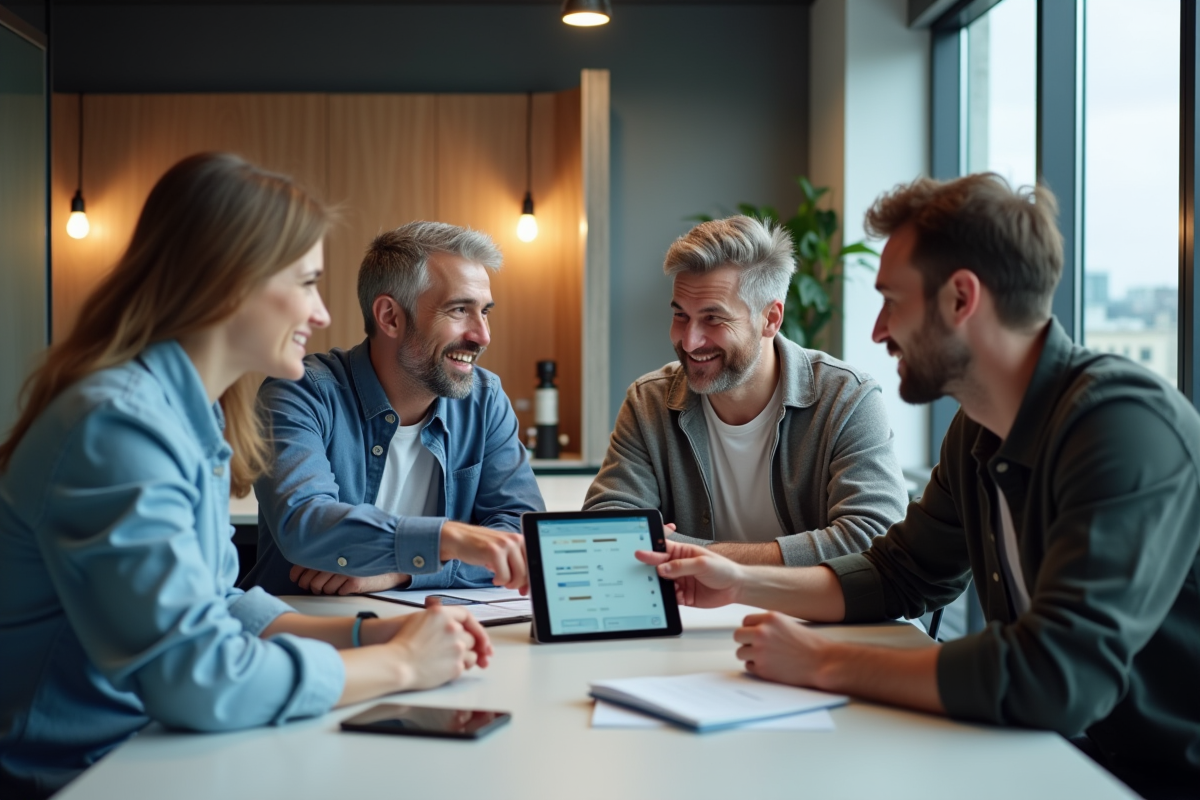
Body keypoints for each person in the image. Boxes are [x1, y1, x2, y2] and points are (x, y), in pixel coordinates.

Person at [636, 175, 1200, 799]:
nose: (878, 331)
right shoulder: (977, 432)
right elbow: (899, 573)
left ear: (961, 298)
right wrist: (740, 580)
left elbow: (1055, 676)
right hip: (1054, 755)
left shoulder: (1121, 428)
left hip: (1155, 777)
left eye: (892, 301)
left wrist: (825, 663)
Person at [0, 154, 492, 799]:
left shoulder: (184, 412)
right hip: (80, 774)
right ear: (229, 284)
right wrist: (398, 664)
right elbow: (196, 677)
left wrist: (370, 631)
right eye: (307, 282)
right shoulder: (118, 427)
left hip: (150, 750)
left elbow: (217, 605)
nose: (320, 314)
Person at [585, 215, 908, 566]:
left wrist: (700, 556)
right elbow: (607, 528)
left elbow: (874, 537)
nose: (690, 341)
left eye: (713, 319)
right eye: (680, 315)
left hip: (812, 620)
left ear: (770, 319)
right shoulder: (648, 402)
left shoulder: (847, 400)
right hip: (694, 619)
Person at [241, 221, 542, 597]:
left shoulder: (485, 399)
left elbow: (523, 535)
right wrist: (447, 540)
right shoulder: (301, 391)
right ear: (390, 317)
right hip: (302, 634)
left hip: (430, 630)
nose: (482, 335)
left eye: (485, 312)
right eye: (460, 309)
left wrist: (404, 573)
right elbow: (306, 523)